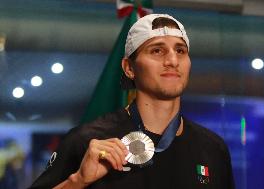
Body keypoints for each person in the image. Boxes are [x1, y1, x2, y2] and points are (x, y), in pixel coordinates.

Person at [29, 14, 235, 189]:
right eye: (157, 50)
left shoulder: (213, 148)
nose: (172, 61)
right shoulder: (88, 141)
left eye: (180, 50)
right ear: (129, 68)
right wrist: (78, 181)